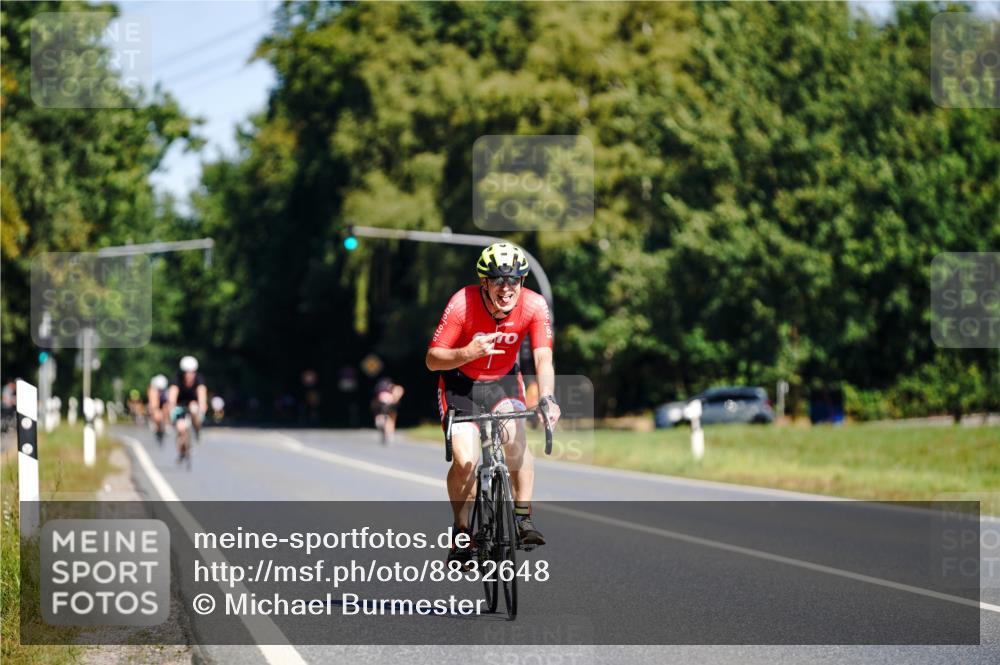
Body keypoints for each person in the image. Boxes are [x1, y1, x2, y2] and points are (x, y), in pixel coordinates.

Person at [426, 242, 560, 565]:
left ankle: (522, 518)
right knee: (465, 459)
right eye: (498, 280)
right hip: (461, 384)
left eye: (513, 280)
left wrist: (547, 398)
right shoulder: (463, 304)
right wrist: (466, 353)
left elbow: (543, 357)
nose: (506, 288)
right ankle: (461, 531)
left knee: (516, 441)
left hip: (502, 383)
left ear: (522, 282)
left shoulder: (534, 306)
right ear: (483, 282)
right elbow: (432, 359)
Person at [167, 356, 207, 464]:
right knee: (181, 429)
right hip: (180, 406)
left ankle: (197, 429)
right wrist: (172, 406)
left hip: (194, 405)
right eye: (186, 372)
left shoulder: (199, 379)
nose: (189, 375)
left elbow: (202, 393)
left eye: (192, 372)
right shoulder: (176, 378)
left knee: (194, 408)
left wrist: (202, 405)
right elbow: (172, 395)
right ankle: (181, 452)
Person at [371, 377, 404, 444]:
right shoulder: (396, 388)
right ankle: (390, 434)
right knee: (391, 419)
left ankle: (380, 419)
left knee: (381, 414)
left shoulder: (379, 389)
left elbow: (375, 401)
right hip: (391, 404)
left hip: (381, 404)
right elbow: (397, 397)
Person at [147, 374, 169, 443]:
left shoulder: (165, 391)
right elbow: (153, 405)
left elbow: (167, 404)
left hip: (162, 404)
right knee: (157, 415)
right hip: (155, 404)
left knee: (165, 410)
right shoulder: (152, 390)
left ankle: (166, 424)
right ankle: (156, 425)